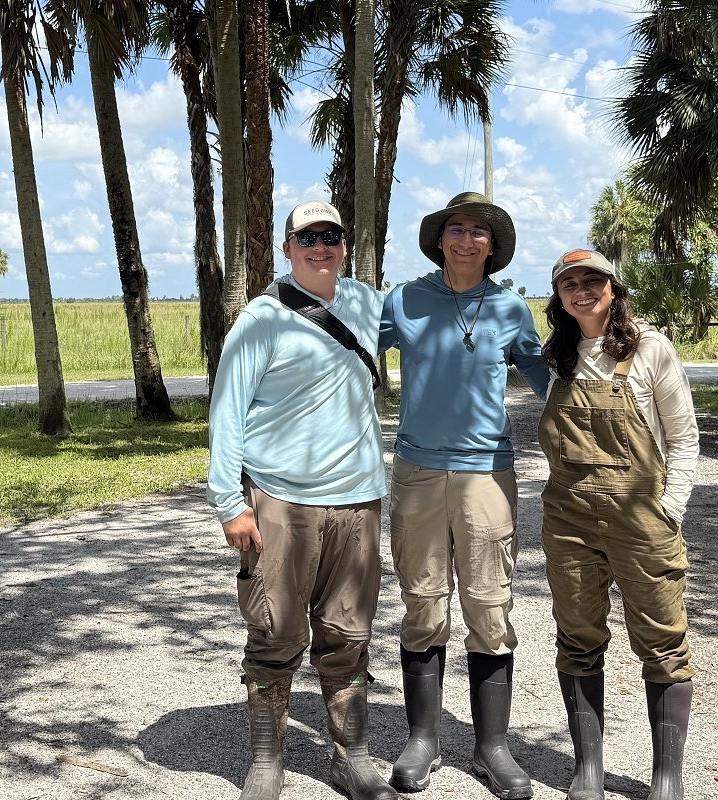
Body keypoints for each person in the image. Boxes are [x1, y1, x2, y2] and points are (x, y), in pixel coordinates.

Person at [207, 200, 399, 800]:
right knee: (274, 630)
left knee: (348, 633)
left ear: (346, 245)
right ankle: (268, 760)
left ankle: (352, 755)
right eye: (307, 236)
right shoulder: (261, 319)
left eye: (331, 235)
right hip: (281, 499)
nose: (320, 246)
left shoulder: (369, 303)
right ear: (287, 248)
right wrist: (229, 504)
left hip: (359, 499)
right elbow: (227, 411)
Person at [379, 192, 549, 800]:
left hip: (488, 474)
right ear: (440, 238)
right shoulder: (403, 300)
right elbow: (347, 353)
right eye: (456, 228)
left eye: (479, 231)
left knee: (489, 606)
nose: (467, 239)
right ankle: (422, 739)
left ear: (493, 246)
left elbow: (545, 378)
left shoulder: (511, 308)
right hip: (418, 473)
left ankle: (492, 748)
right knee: (423, 603)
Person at [537, 249, 699, 800]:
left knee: (661, 640)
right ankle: (588, 770)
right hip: (569, 518)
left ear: (613, 287)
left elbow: (683, 438)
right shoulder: (557, 357)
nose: (582, 291)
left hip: (641, 517)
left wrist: (669, 509)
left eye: (592, 281)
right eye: (569, 284)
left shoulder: (651, 349)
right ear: (559, 297)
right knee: (578, 638)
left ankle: (667, 775)